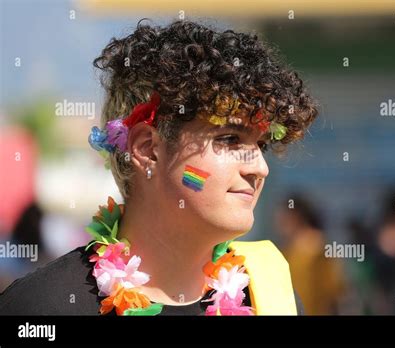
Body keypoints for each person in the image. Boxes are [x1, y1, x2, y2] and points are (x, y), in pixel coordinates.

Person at [0, 19, 318, 316]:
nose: (260, 168)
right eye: (231, 138)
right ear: (148, 149)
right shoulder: (40, 307)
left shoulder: (271, 298)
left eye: (260, 145)